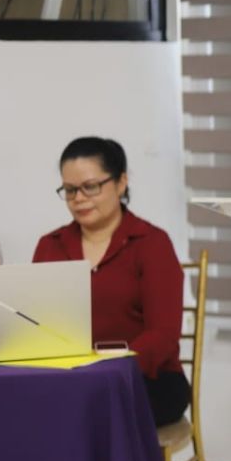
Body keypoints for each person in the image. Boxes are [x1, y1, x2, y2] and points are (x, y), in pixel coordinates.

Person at [33, 137, 189, 427]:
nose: (79, 198)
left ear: (120, 183)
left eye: (90, 186)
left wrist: (109, 366)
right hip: (71, 378)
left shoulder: (151, 243)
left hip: (146, 379)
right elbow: (34, 323)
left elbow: (163, 335)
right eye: (70, 190)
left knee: (88, 410)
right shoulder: (50, 245)